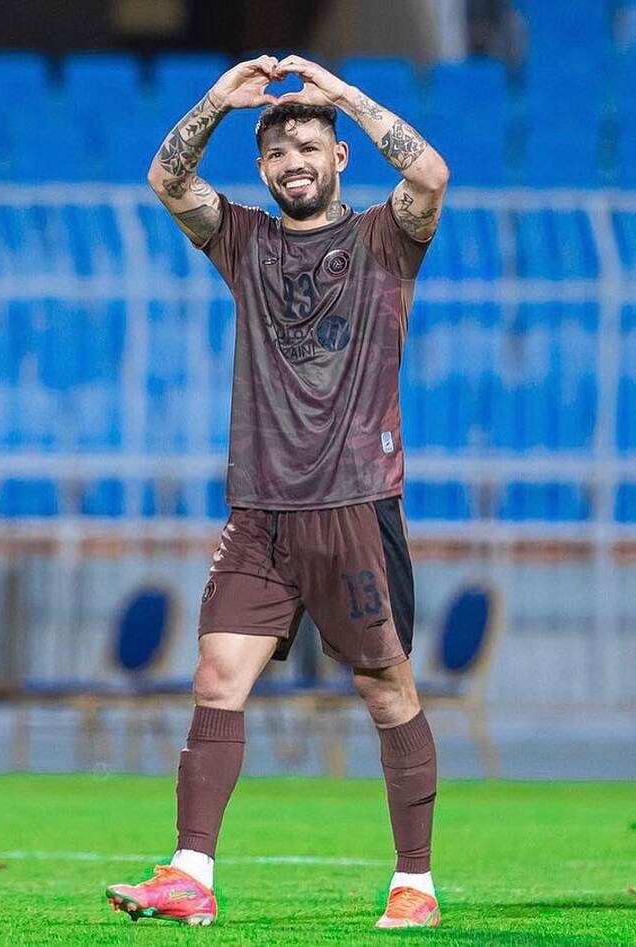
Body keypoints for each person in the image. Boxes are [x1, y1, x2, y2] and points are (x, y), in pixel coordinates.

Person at [106, 53, 449, 930]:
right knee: (218, 677)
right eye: (277, 153)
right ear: (262, 171)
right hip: (259, 509)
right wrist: (221, 101)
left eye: (309, 144)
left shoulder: (384, 237)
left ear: (338, 156)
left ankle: (415, 880)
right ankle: (191, 873)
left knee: (387, 691)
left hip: (355, 505)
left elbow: (430, 174)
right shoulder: (246, 243)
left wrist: (345, 97)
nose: (293, 160)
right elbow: (166, 176)